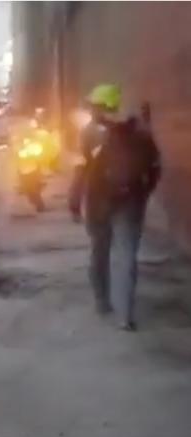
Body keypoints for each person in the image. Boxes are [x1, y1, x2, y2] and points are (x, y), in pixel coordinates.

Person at [69, 84, 161, 331]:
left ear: (99, 106)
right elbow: (155, 167)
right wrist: (143, 192)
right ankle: (126, 314)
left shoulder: (89, 132)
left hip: (99, 200)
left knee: (100, 250)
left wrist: (74, 200)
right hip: (131, 201)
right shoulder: (139, 130)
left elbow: (80, 168)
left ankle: (102, 301)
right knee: (127, 256)